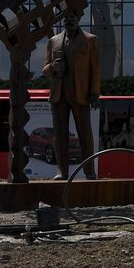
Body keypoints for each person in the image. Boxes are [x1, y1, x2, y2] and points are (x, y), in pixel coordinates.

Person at [43, 9, 100, 180]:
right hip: (59, 94)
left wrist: (94, 93)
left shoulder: (90, 40)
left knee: (85, 135)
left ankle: (89, 171)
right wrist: (53, 67)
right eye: (67, 17)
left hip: (81, 94)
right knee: (60, 136)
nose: (70, 20)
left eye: (73, 17)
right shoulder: (53, 41)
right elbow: (45, 69)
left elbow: (95, 69)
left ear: (78, 19)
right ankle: (62, 171)